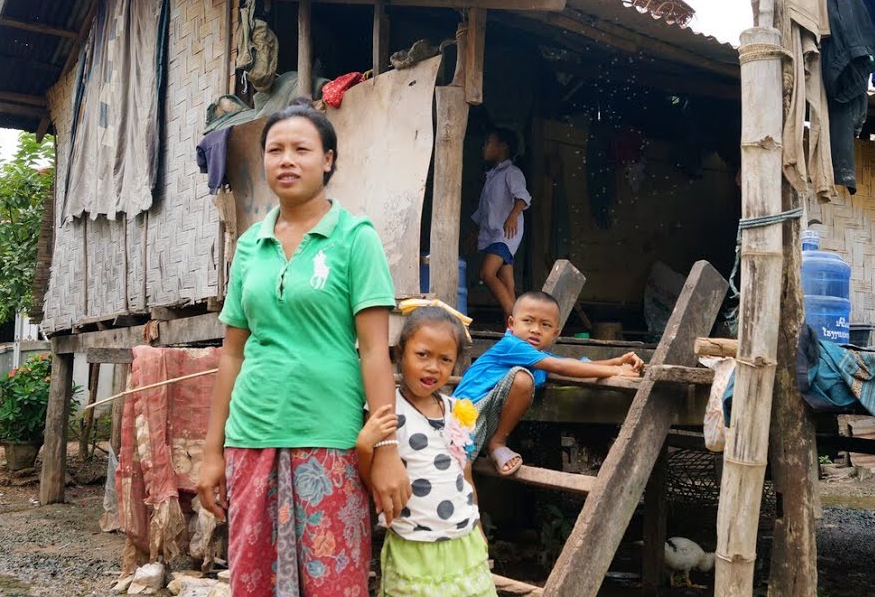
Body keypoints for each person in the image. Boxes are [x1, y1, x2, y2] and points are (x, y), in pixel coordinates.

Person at [196, 97, 410, 597]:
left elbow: (375, 352)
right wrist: (212, 453)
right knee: (256, 583)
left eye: (301, 149)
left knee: (333, 584)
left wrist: (386, 450)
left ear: (328, 160)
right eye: (275, 150)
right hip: (252, 436)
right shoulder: (250, 245)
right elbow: (232, 353)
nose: (286, 160)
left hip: (330, 437)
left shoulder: (356, 238)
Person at [356, 305, 497, 596]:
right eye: (423, 355)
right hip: (413, 543)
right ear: (399, 355)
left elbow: (465, 474)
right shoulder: (387, 410)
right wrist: (364, 446)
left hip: (463, 540)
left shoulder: (457, 411)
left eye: (445, 359)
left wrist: (478, 525)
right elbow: (370, 480)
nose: (433, 367)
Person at [452, 291, 643, 476]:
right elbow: (561, 366)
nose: (535, 329)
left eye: (545, 325)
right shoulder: (512, 345)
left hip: (485, 415)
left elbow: (577, 366)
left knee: (460, 478)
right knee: (458, 477)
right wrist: (617, 371)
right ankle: (498, 443)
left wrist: (617, 361)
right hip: (465, 416)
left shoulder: (539, 357)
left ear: (555, 333)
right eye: (528, 321)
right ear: (511, 323)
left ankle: (494, 447)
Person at [471, 126, 530, 320]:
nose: (484, 147)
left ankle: (517, 322)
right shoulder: (492, 176)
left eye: (488, 142)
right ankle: (513, 333)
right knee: (508, 285)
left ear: (502, 147)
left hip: (505, 234)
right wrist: (475, 232)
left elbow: (522, 197)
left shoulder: (512, 172)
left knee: (486, 274)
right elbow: (483, 211)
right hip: (494, 234)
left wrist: (513, 215)